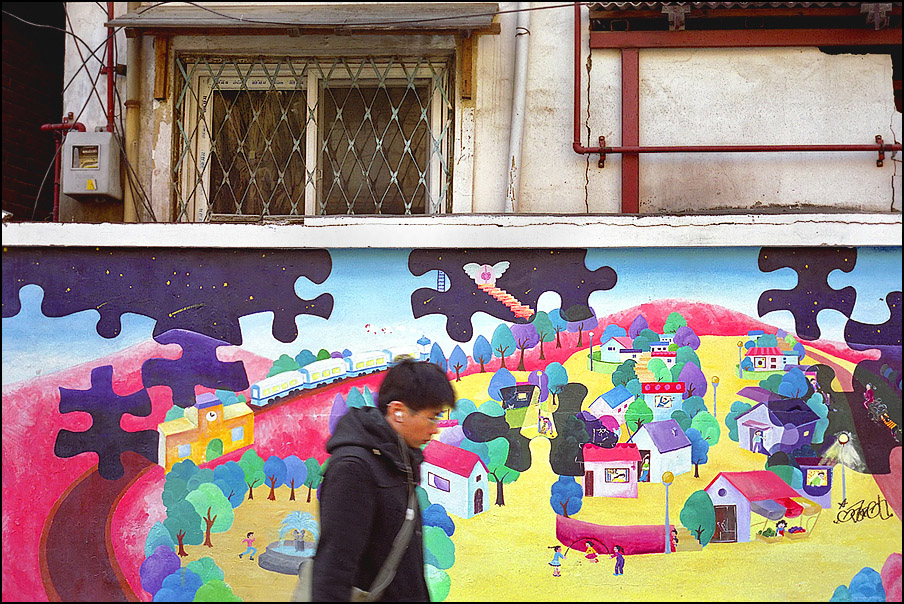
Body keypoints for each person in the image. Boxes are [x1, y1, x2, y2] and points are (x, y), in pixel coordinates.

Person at [312, 359, 456, 601]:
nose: (435, 429)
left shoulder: (399, 461)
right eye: (432, 417)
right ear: (397, 411)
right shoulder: (353, 469)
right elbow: (333, 570)